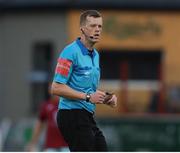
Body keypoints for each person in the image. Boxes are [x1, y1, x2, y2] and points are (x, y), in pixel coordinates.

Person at [51, 10, 117, 151]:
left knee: (101, 148)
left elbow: (87, 90)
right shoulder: (70, 52)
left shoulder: (96, 55)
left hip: (87, 116)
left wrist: (105, 97)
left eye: (100, 26)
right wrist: (88, 97)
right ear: (82, 28)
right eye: (93, 26)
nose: (97, 30)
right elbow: (56, 88)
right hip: (71, 114)